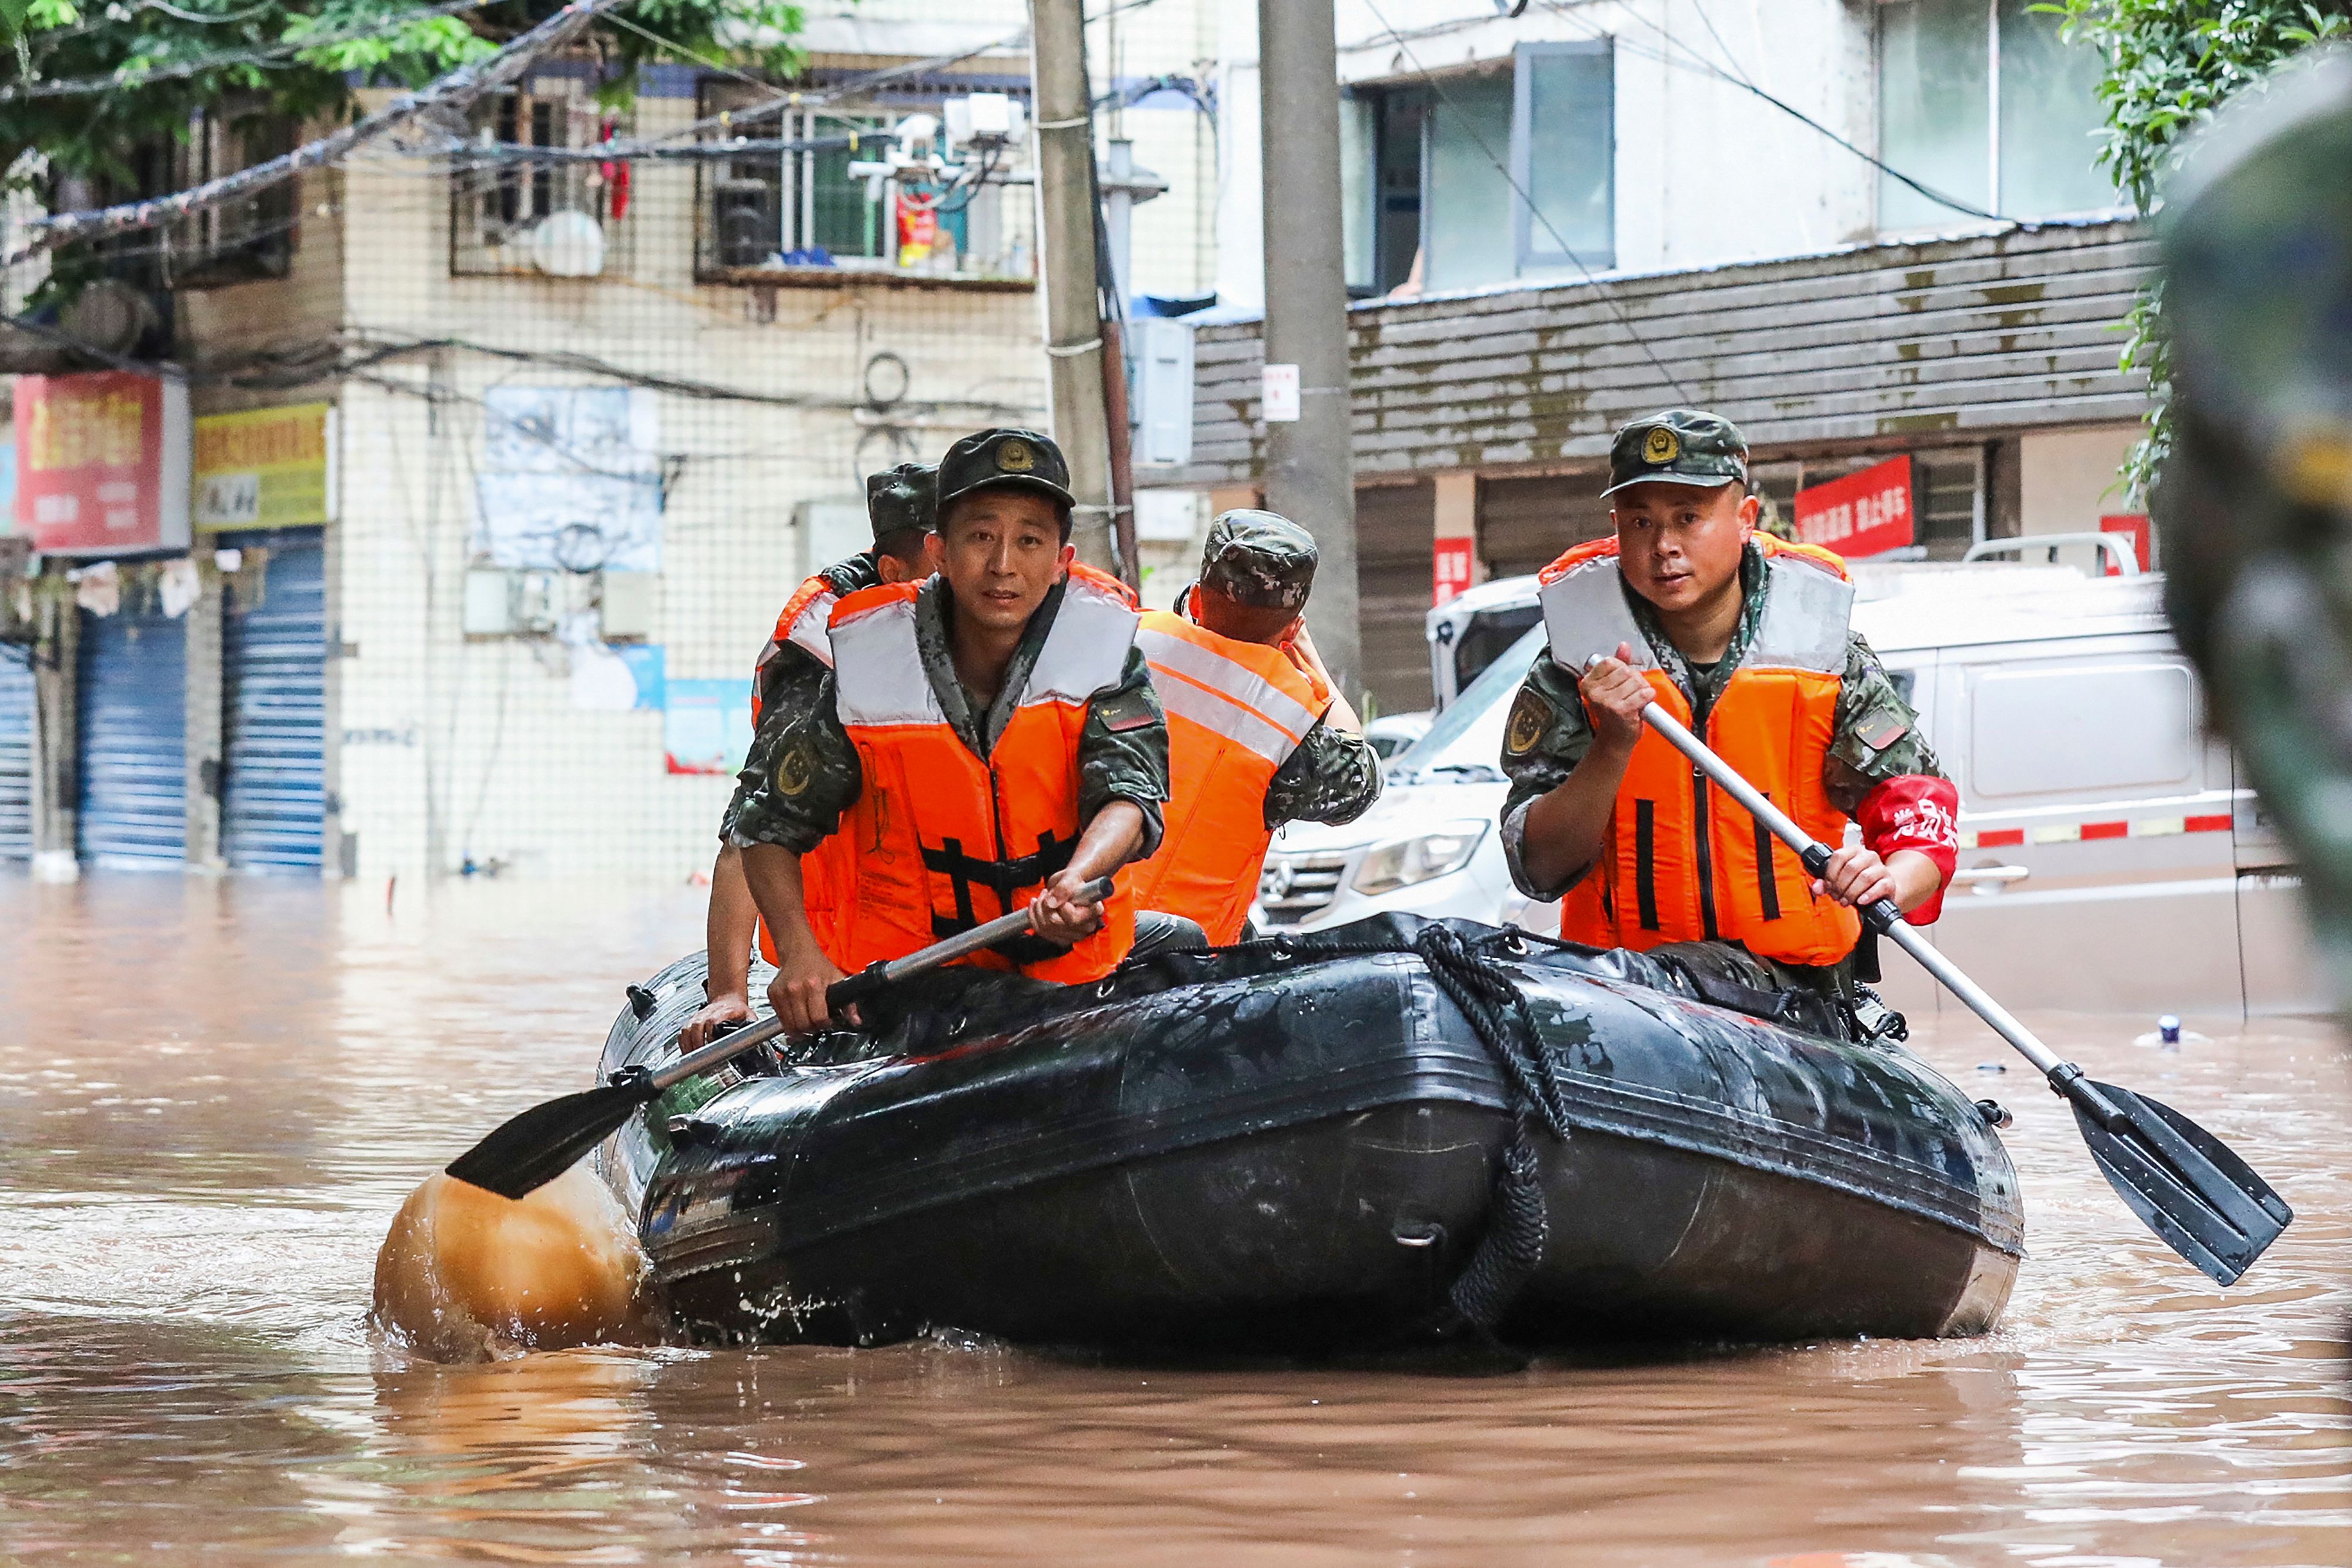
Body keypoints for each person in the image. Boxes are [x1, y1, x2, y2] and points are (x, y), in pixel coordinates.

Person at [1498, 409, 1960, 1004]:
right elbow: (1537, 869)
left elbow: (1920, 814)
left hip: (1797, 1000)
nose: (1664, 546)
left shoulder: (1821, 650)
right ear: (1617, 528)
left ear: (1744, 518)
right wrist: (1613, 744)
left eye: (1687, 518)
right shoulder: (1573, 663)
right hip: (1631, 1003)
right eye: (1640, 522)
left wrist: (1886, 880)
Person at [735, 428, 1173, 1034]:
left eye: (1028, 541)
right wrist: (801, 952)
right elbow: (764, 826)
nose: (1003, 565)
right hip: (915, 977)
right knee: (994, 1015)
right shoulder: (867, 662)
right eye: (981, 537)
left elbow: (1130, 794)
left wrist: (1077, 876)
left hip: (1067, 959)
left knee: (1187, 943)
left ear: (1060, 562)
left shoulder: (1103, 651)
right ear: (939, 551)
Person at [683, 464, 936, 1050]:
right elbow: (749, 828)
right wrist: (729, 994)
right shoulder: (821, 658)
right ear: (896, 570)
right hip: (837, 951)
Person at [1129, 509, 1382, 944]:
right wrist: (1306, 657)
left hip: (1071, 937)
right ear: (1290, 630)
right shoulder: (1288, 720)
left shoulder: (1126, 643)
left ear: (1193, 601)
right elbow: (1362, 779)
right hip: (1183, 972)